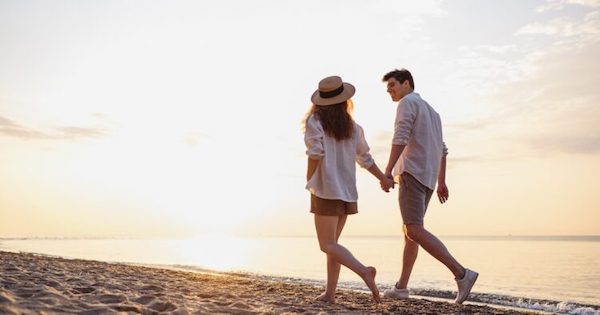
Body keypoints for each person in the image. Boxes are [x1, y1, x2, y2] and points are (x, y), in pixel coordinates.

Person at [380, 69, 478, 304]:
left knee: (413, 229)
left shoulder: (407, 103)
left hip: (412, 173)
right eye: (387, 88)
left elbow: (400, 137)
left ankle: (461, 274)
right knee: (410, 234)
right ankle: (402, 287)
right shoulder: (433, 113)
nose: (390, 91)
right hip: (427, 179)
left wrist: (387, 171)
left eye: (393, 85)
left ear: (406, 83)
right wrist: (441, 181)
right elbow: (442, 149)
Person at [303, 75, 394, 304]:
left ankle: (364, 271)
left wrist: (309, 178)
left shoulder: (316, 121)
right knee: (334, 246)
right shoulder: (353, 127)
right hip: (347, 192)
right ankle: (330, 294)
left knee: (328, 245)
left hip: (326, 189)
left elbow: (315, 153)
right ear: (344, 101)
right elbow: (365, 159)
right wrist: (382, 177)